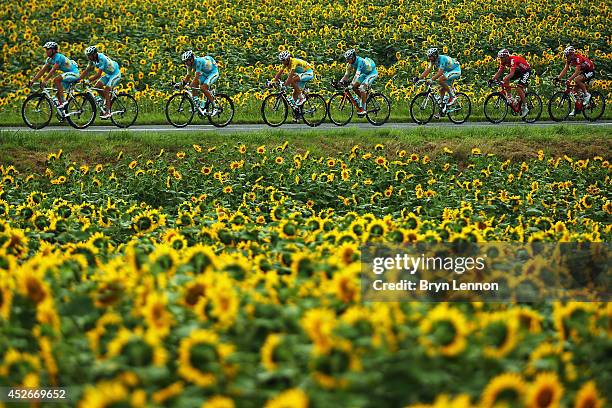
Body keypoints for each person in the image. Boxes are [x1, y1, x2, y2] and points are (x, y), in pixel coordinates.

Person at [28, 42, 80, 110]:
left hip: (74, 74)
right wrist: (33, 80)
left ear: (54, 50)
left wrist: (45, 80)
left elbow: (53, 70)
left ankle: (64, 102)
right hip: (68, 75)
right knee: (58, 95)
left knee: (56, 80)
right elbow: (42, 71)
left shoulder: (59, 57)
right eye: (46, 49)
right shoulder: (49, 59)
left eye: (48, 49)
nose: (46, 51)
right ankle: (64, 113)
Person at [78, 46, 121, 119]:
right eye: (88, 56)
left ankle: (108, 112)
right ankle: (107, 100)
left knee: (107, 90)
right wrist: (78, 79)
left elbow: (98, 75)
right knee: (97, 87)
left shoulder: (101, 59)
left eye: (90, 56)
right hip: (108, 74)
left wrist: (88, 80)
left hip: (115, 74)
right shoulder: (92, 60)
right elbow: (87, 70)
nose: (89, 57)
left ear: (94, 54)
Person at [491, 49, 531, 117]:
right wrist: (492, 80)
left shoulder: (513, 60)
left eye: (502, 58)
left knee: (518, 87)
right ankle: (510, 97)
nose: (501, 60)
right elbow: (499, 72)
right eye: (500, 58)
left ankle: (525, 106)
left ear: (507, 56)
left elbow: (512, 74)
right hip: (518, 71)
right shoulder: (503, 61)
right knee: (505, 79)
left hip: (526, 71)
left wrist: (504, 80)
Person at [556, 45, 595, 114]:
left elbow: (577, 72)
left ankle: (587, 94)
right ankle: (577, 108)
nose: (566, 57)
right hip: (583, 71)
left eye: (567, 56)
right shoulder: (569, 59)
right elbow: (565, 69)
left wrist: (569, 79)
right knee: (576, 91)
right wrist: (558, 78)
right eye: (565, 56)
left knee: (577, 80)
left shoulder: (578, 58)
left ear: (571, 54)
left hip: (590, 70)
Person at [340, 49, 378, 116]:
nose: (347, 61)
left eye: (349, 59)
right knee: (354, 87)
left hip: (372, 73)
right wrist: (340, 82)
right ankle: (364, 99)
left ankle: (363, 109)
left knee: (362, 88)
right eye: (346, 59)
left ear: (353, 57)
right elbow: (346, 75)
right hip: (364, 74)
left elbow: (357, 74)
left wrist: (351, 84)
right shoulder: (349, 64)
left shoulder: (360, 61)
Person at [181, 50, 219, 115]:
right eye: (184, 61)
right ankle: (197, 105)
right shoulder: (189, 65)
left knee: (203, 88)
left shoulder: (198, 62)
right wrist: (182, 84)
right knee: (194, 85)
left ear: (191, 59)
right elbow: (188, 76)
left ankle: (216, 107)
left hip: (213, 72)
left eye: (187, 61)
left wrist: (189, 86)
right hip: (205, 73)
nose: (186, 63)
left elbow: (196, 77)